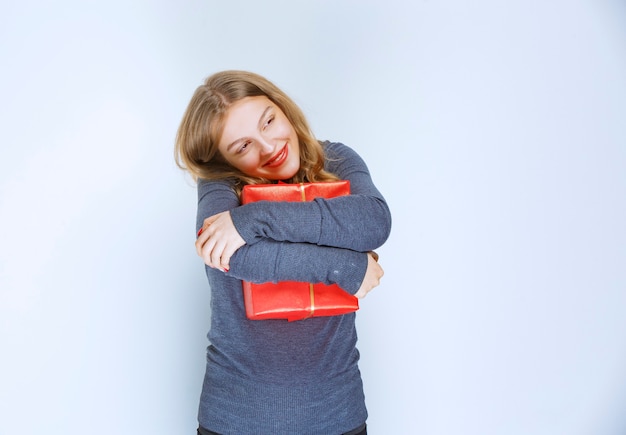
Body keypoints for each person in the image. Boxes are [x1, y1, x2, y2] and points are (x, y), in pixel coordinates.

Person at [175, 70, 392, 435]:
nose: (269, 146)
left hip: (338, 417)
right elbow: (235, 258)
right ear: (224, 160)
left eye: (269, 121)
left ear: (282, 106)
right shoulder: (219, 185)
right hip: (234, 422)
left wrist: (251, 219)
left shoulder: (336, 160)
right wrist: (347, 266)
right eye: (242, 146)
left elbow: (373, 222)